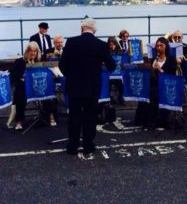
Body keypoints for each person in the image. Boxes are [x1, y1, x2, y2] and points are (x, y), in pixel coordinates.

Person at [59, 18, 116, 155]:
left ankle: (73, 145)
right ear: (94, 30)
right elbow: (111, 66)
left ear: (82, 29)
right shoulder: (101, 45)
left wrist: (71, 75)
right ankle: (88, 145)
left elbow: (62, 65)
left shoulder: (71, 42)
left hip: (75, 85)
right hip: (92, 86)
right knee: (90, 117)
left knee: (74, 116)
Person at [11, 41, 58, 130]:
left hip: (38, 87)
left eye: (35, 51)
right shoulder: (19, 62)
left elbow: (48, 72)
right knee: (20, 95)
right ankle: (18, 122)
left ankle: (50, 116)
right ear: (27, 52)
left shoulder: (40, 61)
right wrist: (23, 75)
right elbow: (14, 76)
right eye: (30, 51)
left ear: (37, 52)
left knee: (50, 94)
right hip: (24, 87)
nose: (33, 53)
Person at [135, 37, 178, 130]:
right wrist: (151, 69)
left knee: (155, 93)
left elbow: (171, 75)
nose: (158, 48)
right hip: (155, 83)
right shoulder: (155, 59)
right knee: (148, 93)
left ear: (166, 47)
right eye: (157, 46)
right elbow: (152, 75)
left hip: (167, 85)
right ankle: (150, 120)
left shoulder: (171, 60)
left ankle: (160, 120)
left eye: (161, 46)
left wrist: (159, 69)